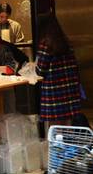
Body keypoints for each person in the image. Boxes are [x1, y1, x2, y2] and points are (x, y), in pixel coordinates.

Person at [35, 12, 84, 146]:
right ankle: (70, 155)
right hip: (69, 91)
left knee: (54, 129)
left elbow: (40, 70)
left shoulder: (46, 44)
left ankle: (57, 157)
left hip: (54, 93)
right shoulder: (65, 42)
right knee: (67, 126)